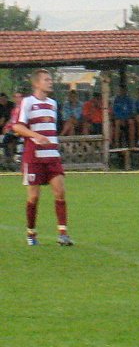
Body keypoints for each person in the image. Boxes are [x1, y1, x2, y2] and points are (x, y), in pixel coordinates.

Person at [13, 69, 73, 246]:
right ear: (36, 83)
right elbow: (17, 127)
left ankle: (63, 234)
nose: (50, 82)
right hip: (34, 157)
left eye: (50, 79)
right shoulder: (28, 102)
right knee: (33, 197)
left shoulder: (53, 104)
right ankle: (31, 233)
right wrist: (35, 135)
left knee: (60, 192)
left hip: (52, 156)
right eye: (46, 79)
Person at [3, 91, 24, 162]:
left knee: (17, 139)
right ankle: (8, 159)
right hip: (14, 130)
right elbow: (12, 120)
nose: (17, 99)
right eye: (16, 97)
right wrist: (6, 127)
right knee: (6, 139)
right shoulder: (14, 109)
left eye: (19, 97)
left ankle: (17, 157)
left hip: (22, 129)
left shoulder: (24, 109)